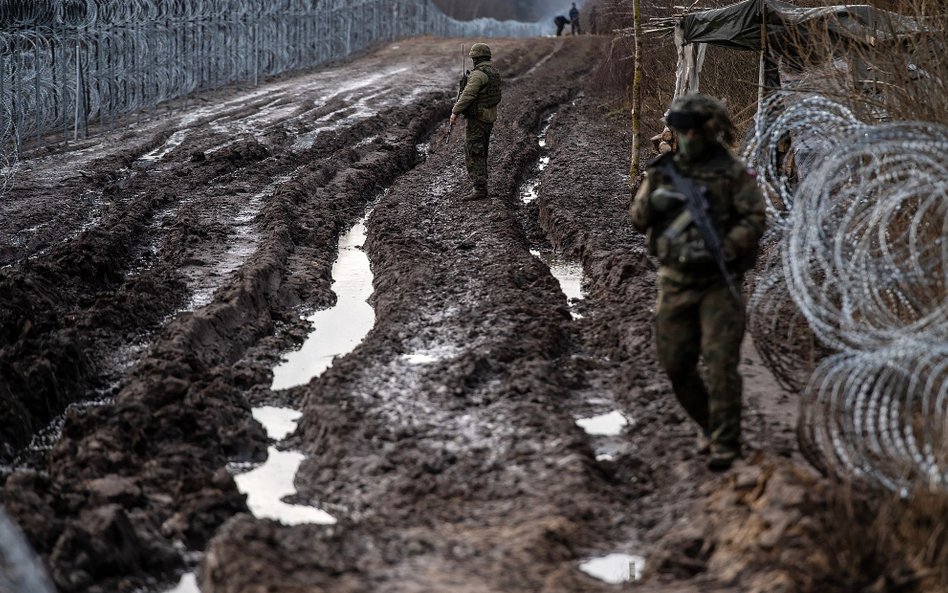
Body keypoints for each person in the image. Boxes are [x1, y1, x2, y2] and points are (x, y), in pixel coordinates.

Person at [629, 94, 766, 471]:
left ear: (710, 132)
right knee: (676, 364)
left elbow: (755, 219)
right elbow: (638, 219)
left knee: (721, 363)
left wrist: (727, 245)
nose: (686, 138)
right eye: (681, 132)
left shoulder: (733, 173)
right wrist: (653, 201)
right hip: (675, 280)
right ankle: (709, 423)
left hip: (719, 282)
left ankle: (725, 441)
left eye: (693, 131)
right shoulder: (663, 170)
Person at [450, 43, 502, 201]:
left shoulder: (478, 75)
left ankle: (480, 188)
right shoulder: (493, 72)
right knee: (481, 150)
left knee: (474, 152)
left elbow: (468, 95)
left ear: (476, 58)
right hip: (489, 117)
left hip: (478, 119)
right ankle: (481, 184)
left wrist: (455, 112)